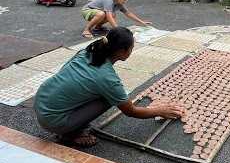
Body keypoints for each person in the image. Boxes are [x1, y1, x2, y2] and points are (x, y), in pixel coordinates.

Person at [35, 27, 185, 147]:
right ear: (122, 51)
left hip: (42, 101)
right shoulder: (107, 78)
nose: (131, 51)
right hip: (53, 120)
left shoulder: (87, 52)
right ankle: (70, 134)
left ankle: (71, 121)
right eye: (131, 48)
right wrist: (158, 111)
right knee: (109, 99)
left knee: (106, 93)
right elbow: (130, 111)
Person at [81, 0, 152, 38]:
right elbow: (109, 17)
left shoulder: (119, 4)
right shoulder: (109, 1)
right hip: (87, 10)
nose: (125, 1)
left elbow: (128, 13)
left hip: (97, 12)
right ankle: (86, 30)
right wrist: (118, 30)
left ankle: (98, 27)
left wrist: (142, 22)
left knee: (112, 14)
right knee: (102, 14)